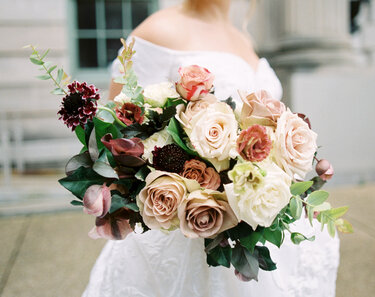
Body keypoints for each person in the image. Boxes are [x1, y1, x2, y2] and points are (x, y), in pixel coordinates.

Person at [83, 1, 340, 296]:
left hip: (254, 224)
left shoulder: (244, 38)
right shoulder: (157, 31)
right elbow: (117, 138)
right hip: (186, 229)